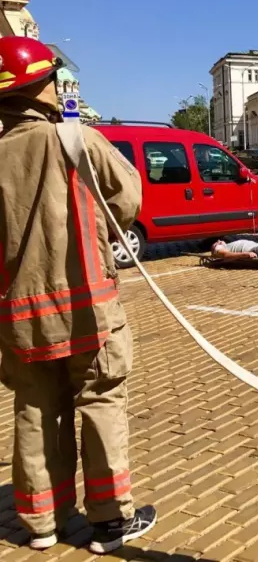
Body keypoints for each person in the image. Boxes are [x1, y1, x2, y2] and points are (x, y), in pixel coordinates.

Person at [0, 37, 157, 553]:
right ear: (44, 86)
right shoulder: (76, 141)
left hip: (19, 317)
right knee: (100, 401)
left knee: (35, 408)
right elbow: (128, 198)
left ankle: (41, 523)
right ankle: (110, 522)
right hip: (88, 309)